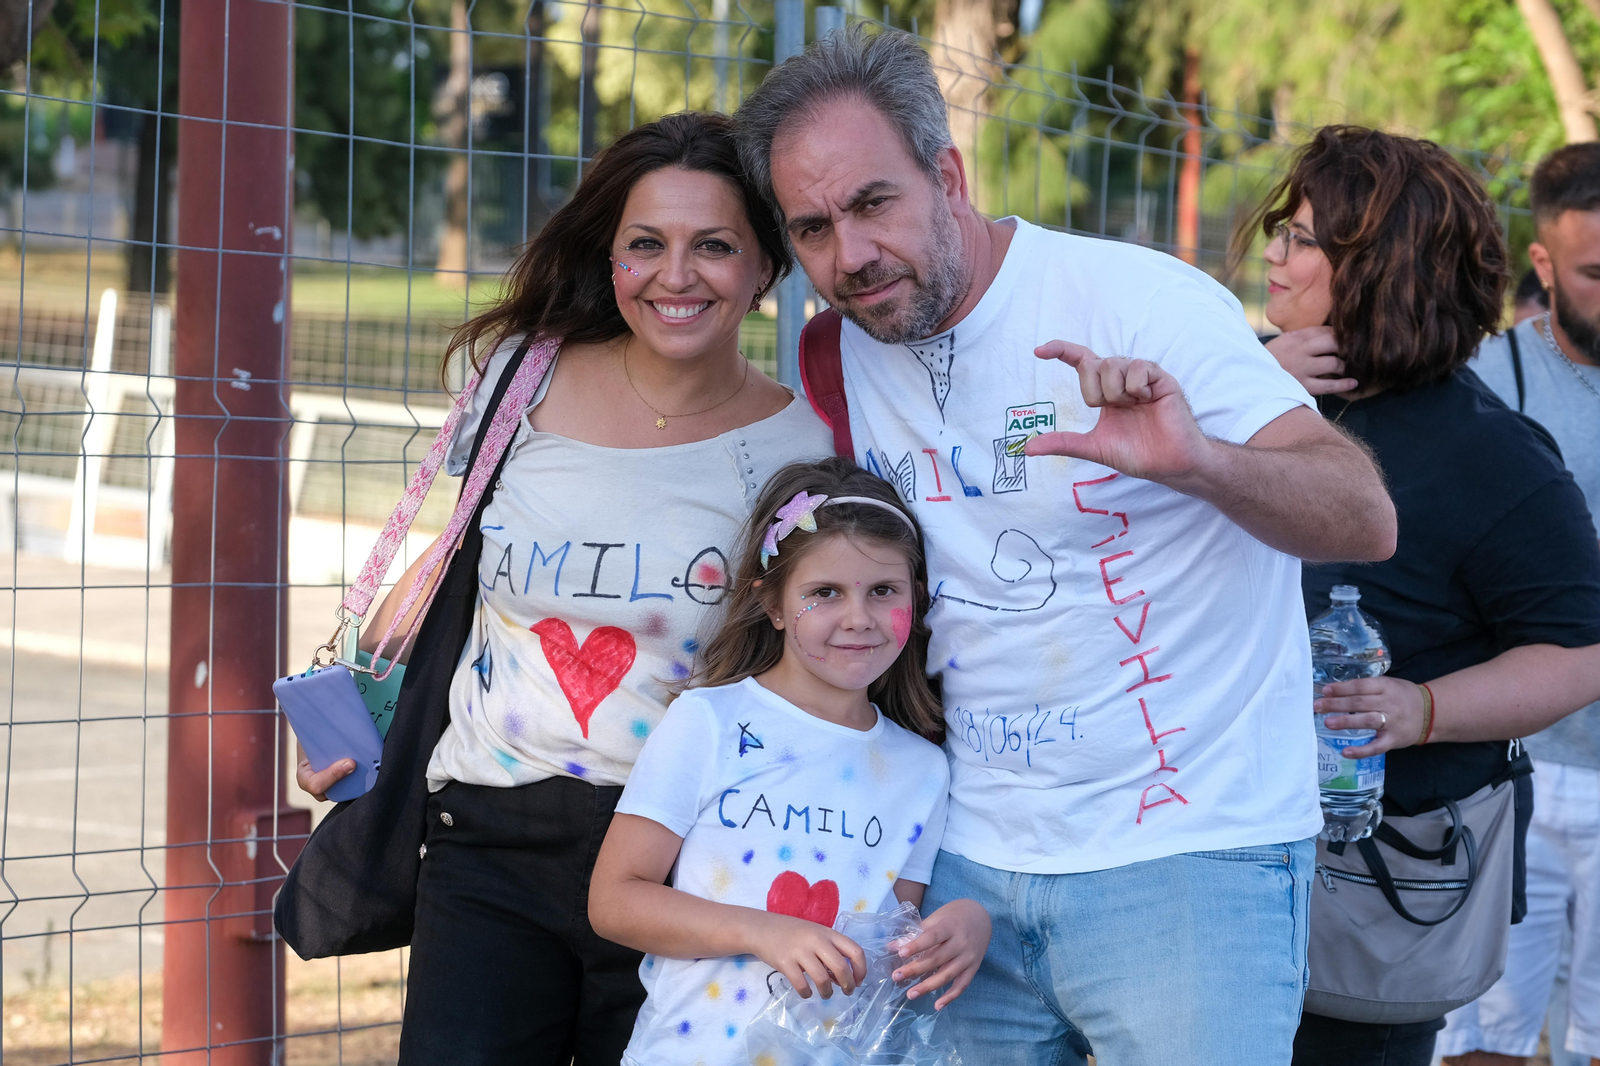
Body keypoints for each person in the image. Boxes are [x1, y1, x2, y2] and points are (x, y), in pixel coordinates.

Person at [734, 26, 1397, 1065]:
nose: (849, 255)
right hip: (956, 865)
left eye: (873, 204)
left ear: (948, 176)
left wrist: (1197, 463)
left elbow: (1361, 514)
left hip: (1188, 858)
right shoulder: (838, 354)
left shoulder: (1137, 301)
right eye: (812, 227)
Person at [295, 112, 833, 1065]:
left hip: (687, 859)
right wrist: (361, 720)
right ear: (610, 256)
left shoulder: (806, 448)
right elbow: (452, 557)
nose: (676, 275)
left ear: (766, 267)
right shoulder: (521, 380)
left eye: (714, 246)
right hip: (486, 841)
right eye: (646, 244)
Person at [1245, 125, 1600, 1066]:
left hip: (1368, 898)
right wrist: (1240, 386)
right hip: (1207, 870)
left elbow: (1579, 653)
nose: (1274, 254)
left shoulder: (1493, 456)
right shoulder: (1253, 390)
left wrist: (1423, 708)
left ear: (1384, 269)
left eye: (1303, 238)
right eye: (1282, 230)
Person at [588, 457, 991, 1065]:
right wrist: (763, 931)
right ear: (773, 605)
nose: (858, 617)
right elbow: (615, 901)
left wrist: (964, 923)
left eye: (883, 591)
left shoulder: (922, 770)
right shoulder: (709, 722)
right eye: (824, 593)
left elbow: (892, 939)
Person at [1433, 143, 1600, 1066]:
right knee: (1480, 1039)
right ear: (1542, 262)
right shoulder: (1486, 383)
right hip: (1510, 767)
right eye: (1595, 275)